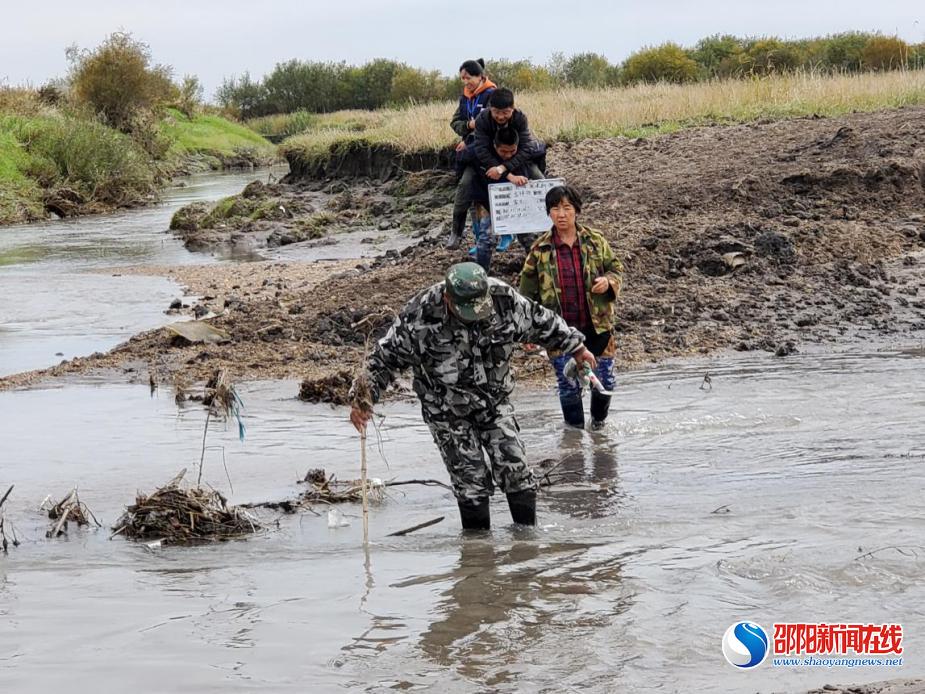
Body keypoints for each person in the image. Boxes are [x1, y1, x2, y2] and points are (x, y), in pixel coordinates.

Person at [350, 262, 598, 530]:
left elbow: (542, 322)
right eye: (467, 311)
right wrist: (365, 399)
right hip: (446, 410)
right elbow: (383, 359)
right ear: (448, 298)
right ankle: (478, 557)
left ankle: (527, 545)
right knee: (471, 483)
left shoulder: (503, 299)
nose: (475, 316)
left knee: (516, 469)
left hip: (494, 402)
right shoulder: (419, 315)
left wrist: (577, 348)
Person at [519, 185, 623, 430]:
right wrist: (526, 332)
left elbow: (616, 268)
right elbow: (526, 296)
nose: (561, 214)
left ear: (576, 210)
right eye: (555, 208)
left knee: (605, 380)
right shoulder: (539, 250)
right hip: (559, 331)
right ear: (549, 213)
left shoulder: (595, 241)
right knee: (568, 385)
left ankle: (599, 428)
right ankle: (574, 434)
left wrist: (608, 282)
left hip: (598, 325)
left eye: (567, 208)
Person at [468, 127, 535, 273]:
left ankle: (536, 270)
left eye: (512, 151)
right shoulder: (483, 155)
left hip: (518, 202)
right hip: (490, 202)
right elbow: (463, 157)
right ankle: (481, 274)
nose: (508, 155)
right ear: (494, 146)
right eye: (503, 152)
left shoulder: (523, 154)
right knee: (486, 239)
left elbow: (539, 150)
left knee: (528, 237)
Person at [446, 59, 497, 250]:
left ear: (480, 77)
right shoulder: (464, 98)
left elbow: (494, 123)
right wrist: (468, 126)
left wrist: (470, 136)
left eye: (468, 78)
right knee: (465, 187)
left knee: (492, 193)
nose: (465, 82)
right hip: (471, 152)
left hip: (491, 151)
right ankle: (456, 233)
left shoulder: (492, 95)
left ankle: (507, 233)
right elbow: (455, 122)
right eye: (462, 79)